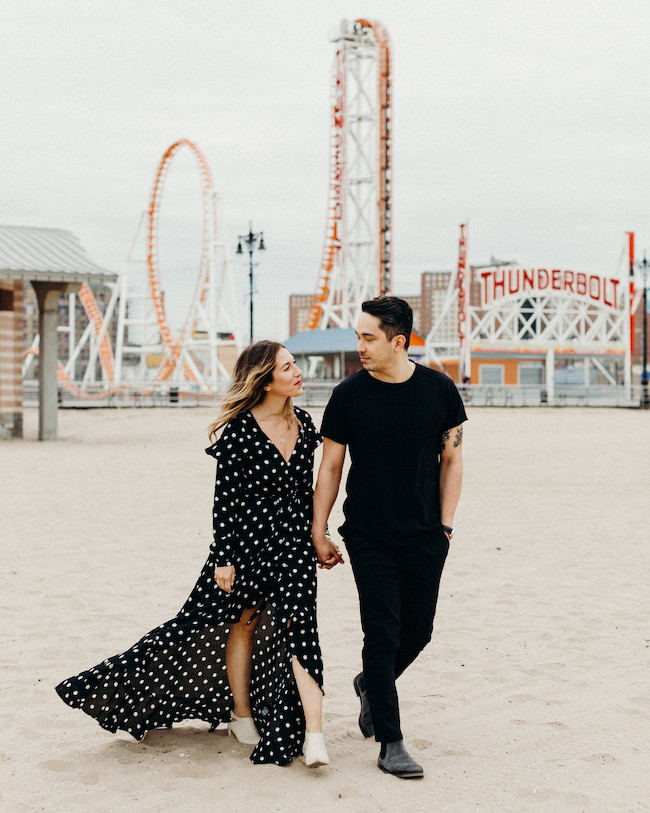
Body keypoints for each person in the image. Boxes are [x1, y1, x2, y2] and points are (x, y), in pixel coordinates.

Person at [56, 341, 329, 768]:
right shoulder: (239, 431)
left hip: (292, 545)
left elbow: (306, 492)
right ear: (264, 380)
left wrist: (318, 535)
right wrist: (224, 558)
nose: (298, 372)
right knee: (242, 623)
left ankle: (313, 733)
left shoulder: (305, 423)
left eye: (295, 364)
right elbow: (225, 501)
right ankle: (242, 716)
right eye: (288, 367)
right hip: (248, 544)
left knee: (300, 627)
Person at [312, 296, 466, 779]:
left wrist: (445, 526)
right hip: (369, 534)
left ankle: (369, 685)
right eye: (358, 336)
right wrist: (319, 529)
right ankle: (391, 741)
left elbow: (452, 459)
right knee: (382, 632)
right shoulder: (348, 395)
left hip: (425, 533)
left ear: (398, 341)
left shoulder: (440, 390)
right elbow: (331, 467)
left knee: (418, 632)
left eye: (368, 337)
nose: (359, 346)